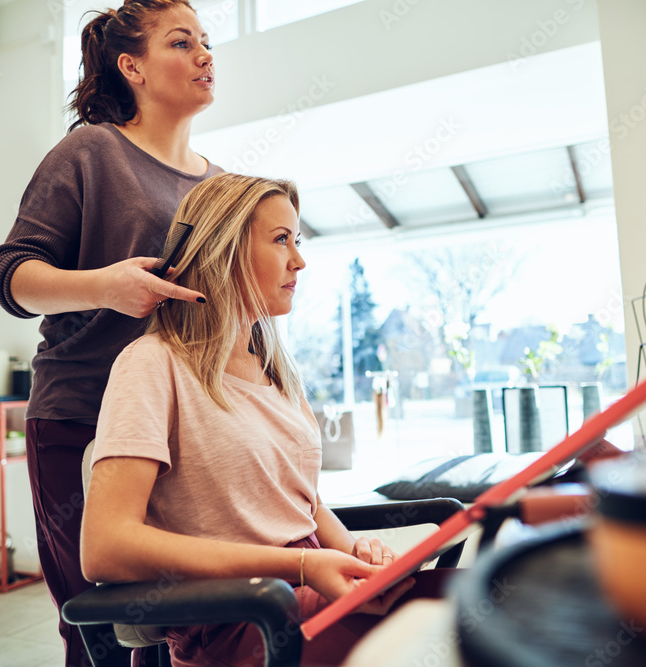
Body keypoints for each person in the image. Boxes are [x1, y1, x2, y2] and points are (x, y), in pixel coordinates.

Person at [82, 173, 451, 667]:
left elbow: (305, 505)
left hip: (298, 593)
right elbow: (104, 547)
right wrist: (303, 564)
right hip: (243, 618)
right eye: (281, 240)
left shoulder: (277, 376)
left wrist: (357, 559)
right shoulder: (153, 364)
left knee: (490, 591)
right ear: (223, 250)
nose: (299, 260)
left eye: (296, 241)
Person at [0, 2, 221, 664]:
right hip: (81, 417)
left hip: (177, 434)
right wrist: (106, 286)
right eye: (183, 42)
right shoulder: (92, 150)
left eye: (207, 42)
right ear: (132, 66)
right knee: (101, 630)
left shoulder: (221, 186)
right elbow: (8, 275)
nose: (206, 54)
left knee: (171, 627)